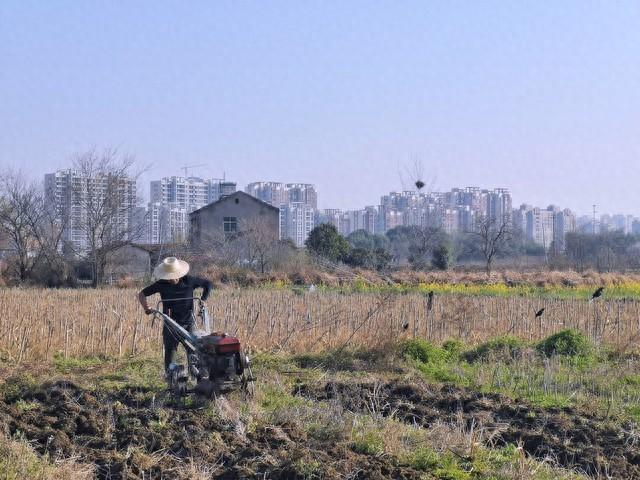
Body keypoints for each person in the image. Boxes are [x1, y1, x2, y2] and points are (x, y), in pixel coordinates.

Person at [138, 257, 213, 372]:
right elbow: (142, 294)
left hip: (188, 322)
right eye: (168, 276)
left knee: (193, 349)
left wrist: (203, 300)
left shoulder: (189, 281)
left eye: (172, 276)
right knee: (170, 350)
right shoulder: (161, 284)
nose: (171, 279)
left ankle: (195, 374)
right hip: (170, 323)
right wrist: (146, 308)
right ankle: (170, 377)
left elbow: (208, 284)